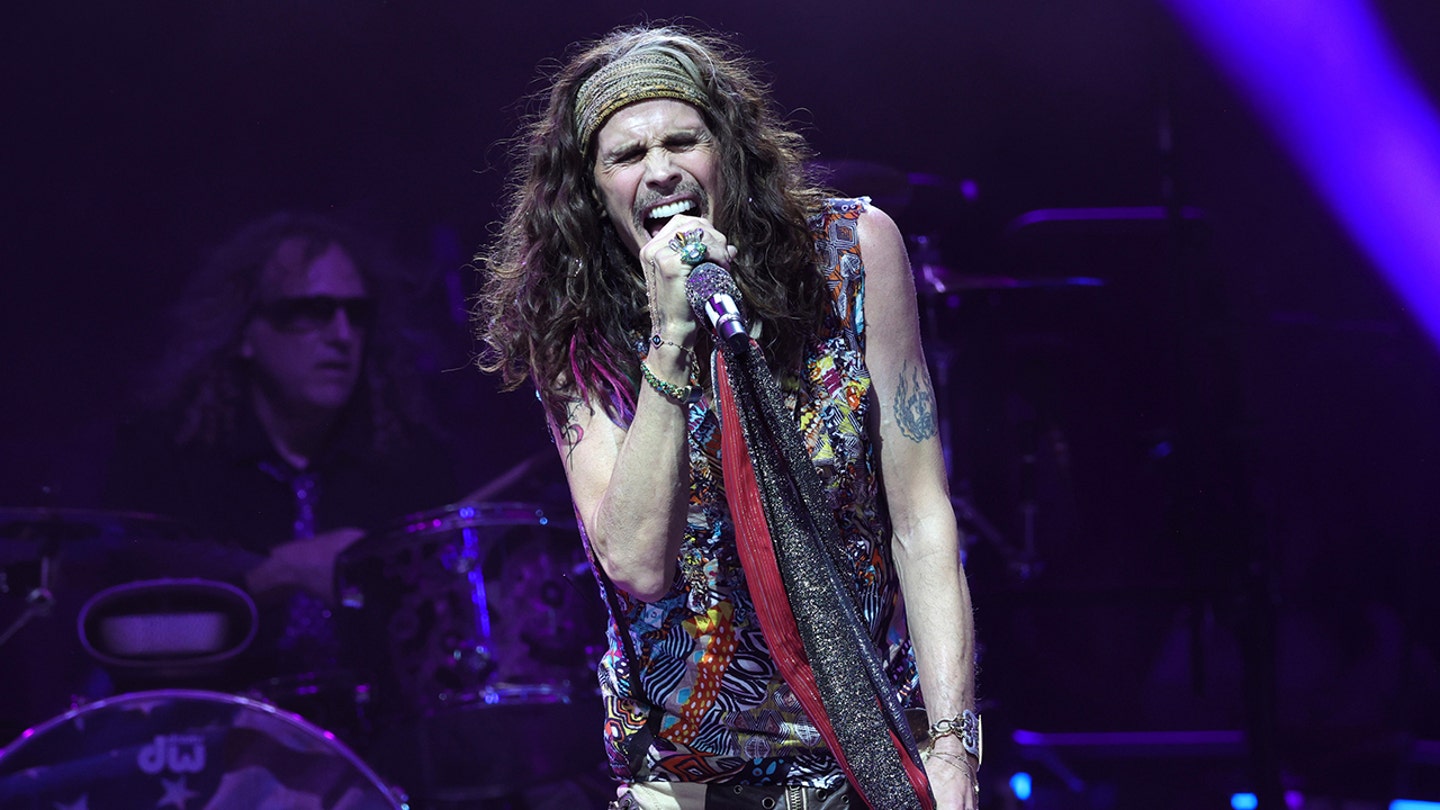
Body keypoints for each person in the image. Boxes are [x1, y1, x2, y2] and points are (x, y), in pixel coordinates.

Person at [474, 25, 979, 810]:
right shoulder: (572, 322)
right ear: (593, 191)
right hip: (690, 774)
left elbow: (922, 517)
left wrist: (951, 746)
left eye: (684, 141)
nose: (661, 171)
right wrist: (671, 340)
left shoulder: (851, 256)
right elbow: (638, 564)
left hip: (869, 748)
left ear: (729, 152)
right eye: (627, 156)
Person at [103, 211, 457, 680]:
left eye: (356, 314)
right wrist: (275, 575)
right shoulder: (170, 457)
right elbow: (130, 632)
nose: (341, 336)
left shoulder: (408, 460)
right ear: (244, 332)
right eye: (310, 311)